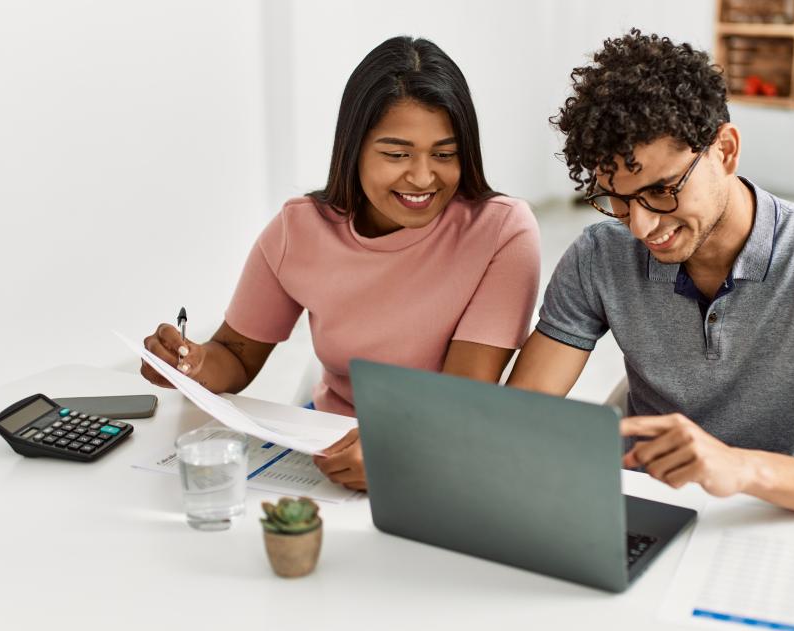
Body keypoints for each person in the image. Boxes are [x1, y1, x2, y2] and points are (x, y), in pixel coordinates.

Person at [507, 30, 794, 517]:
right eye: (616, 197)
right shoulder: (599, 256)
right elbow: (518, 415)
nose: (640, 225)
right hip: (649, 503)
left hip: (785, 513)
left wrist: (738, 468)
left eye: (662, 190)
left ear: (725, 150)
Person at [141, 36, 540, 491]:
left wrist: (397, 451)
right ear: (354, 148)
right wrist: (187, 364)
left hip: (438, 442)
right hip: (327, 443)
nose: (424, 177)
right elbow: (233, 356)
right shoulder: (300, 229)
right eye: (396, 154)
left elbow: (462, 396)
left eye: (445, 154)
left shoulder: (502, 232)